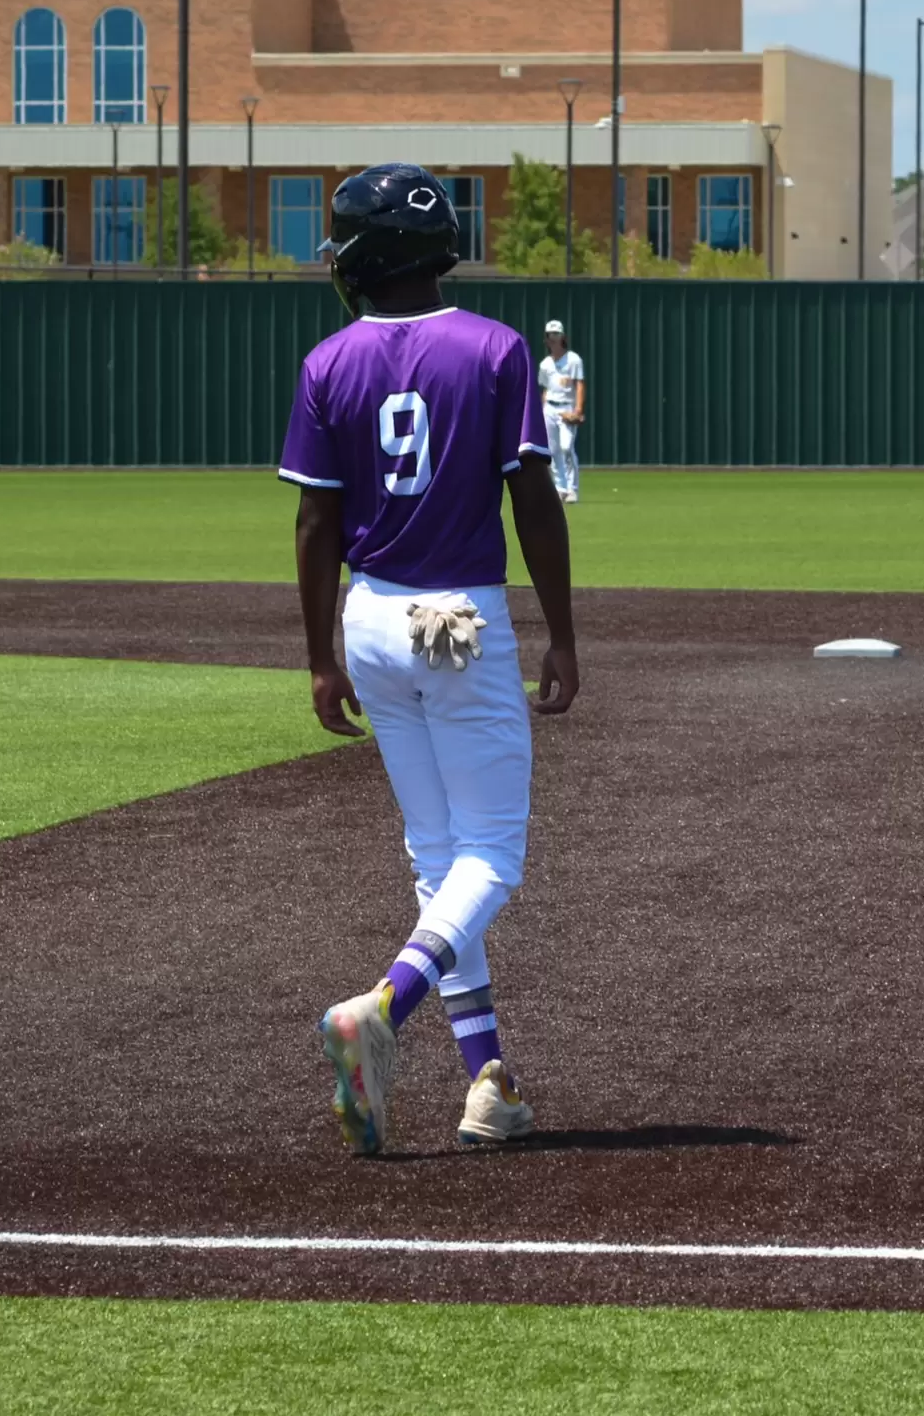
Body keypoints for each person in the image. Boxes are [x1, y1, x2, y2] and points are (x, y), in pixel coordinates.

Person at [279, 163, 580, 1157]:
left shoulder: (328, 362)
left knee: (438, 860)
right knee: (492, 856)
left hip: (370, 618)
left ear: (361, 256)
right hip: (460, 620)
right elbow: (532, 500)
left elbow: (315, 522)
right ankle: (382, 1008)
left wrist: (319, 657)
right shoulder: (494, 348)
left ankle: (488, 1083)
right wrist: (562, 631)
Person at [538, 320, 585, 503]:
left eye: (556, 334)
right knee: (553, 450)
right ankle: (561, 488)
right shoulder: (545, 364)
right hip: (550, 407)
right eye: (550, 335)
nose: (553, 338)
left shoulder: (573, 360)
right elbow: (545, 389)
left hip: (567, 407)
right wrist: (541, 411)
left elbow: (579, 385)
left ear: (562, 337)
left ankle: (573, 489)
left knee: (566, 447)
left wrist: (578, 410)